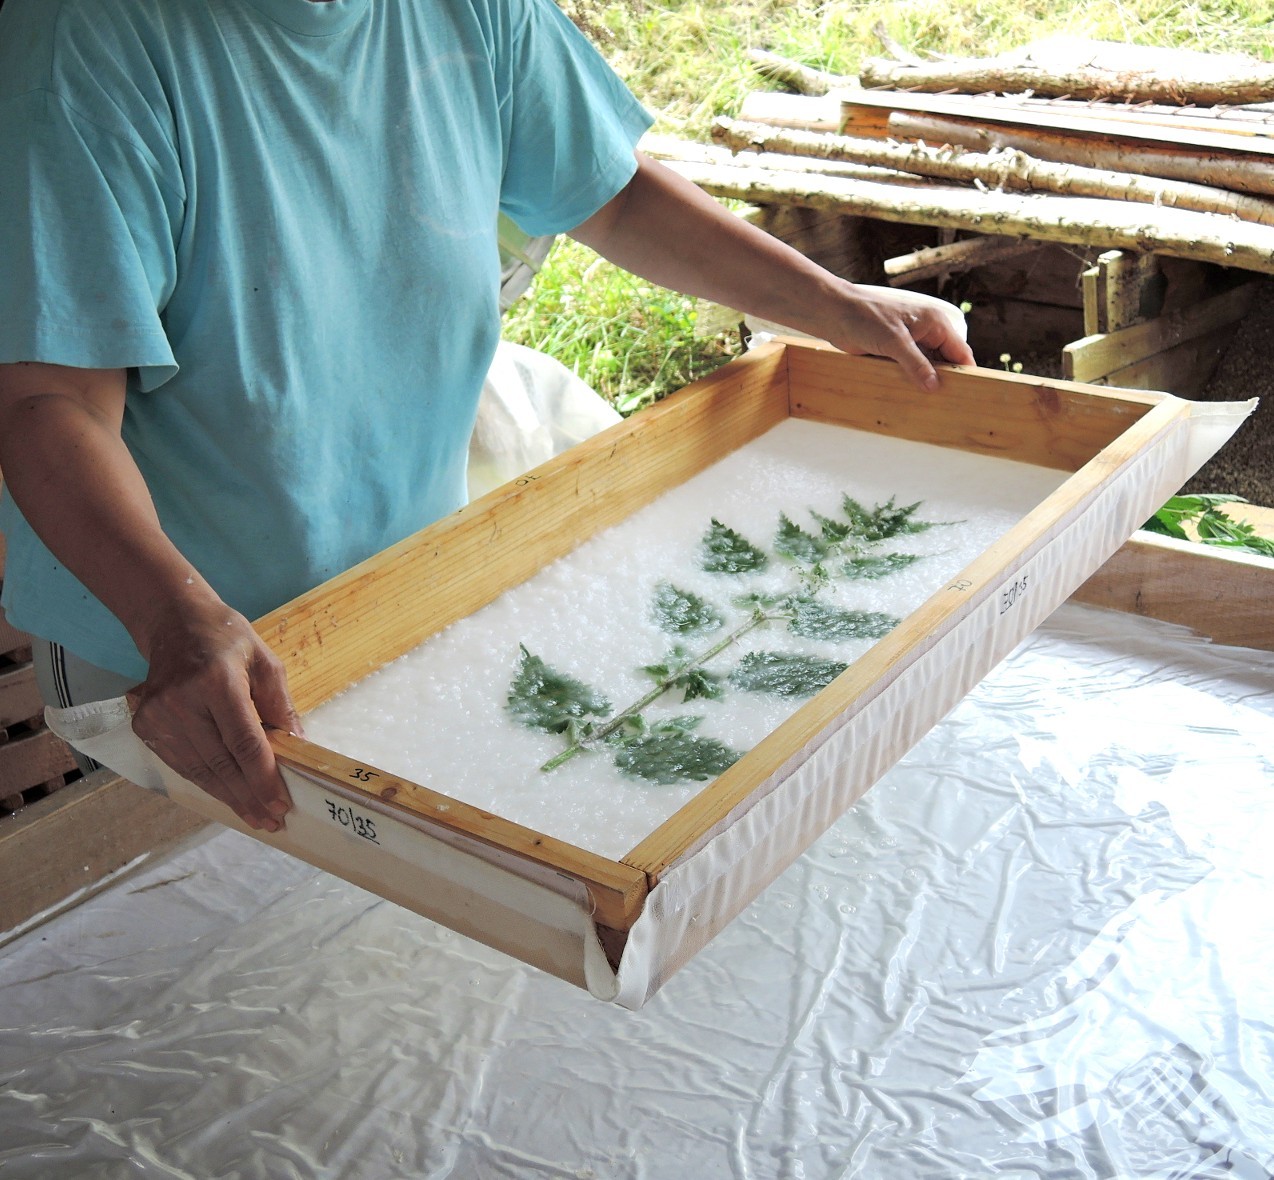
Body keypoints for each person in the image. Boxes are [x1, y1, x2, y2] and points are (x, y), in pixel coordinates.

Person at [0, 0, 974, 836]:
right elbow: (49, 400)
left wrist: (835, 307)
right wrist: (174, 618)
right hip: (176, 662)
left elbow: (612, 195)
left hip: (403, 596)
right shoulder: (83, 47)